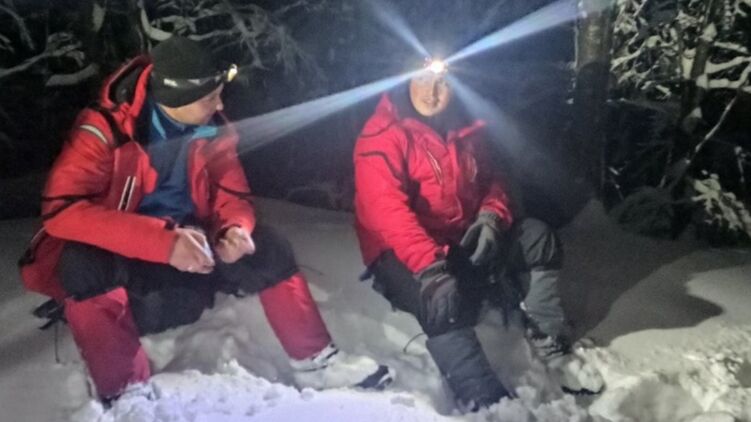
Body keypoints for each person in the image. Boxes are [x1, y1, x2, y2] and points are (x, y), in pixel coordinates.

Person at [18, 36, 391, 402]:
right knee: (81, 263)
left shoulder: (213, 130)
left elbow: (233, 194)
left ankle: (317, 363)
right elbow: (61, 211)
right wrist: (163, 242)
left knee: (270, 247)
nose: (220, 104)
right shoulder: (106, 129)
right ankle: (126, 392)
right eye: (209, 97)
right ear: (177, 97)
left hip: (194, 249)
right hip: (132, 252)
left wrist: (235, 229)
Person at [353, 60, 602, 410]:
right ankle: (484, 399)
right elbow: (386, 210)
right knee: (439, 298)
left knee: (537, 238)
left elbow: (495, 180)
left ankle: (547, 337)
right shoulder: (382, 133)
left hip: (460, 237)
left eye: (442, 82)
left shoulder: (468, 125)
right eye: (422, 79)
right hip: (400, 250)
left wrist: (490, 217)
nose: (431, 92)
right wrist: (430, 267)